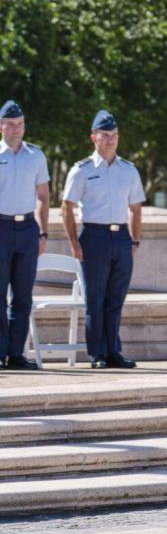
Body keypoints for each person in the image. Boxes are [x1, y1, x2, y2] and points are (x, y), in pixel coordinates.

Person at [61, 110, 145, 370]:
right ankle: (97, 354)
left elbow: (136, 208)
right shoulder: (82, 170)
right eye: (105, 135)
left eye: (114, 135)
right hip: (94, 236)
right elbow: (66, 206)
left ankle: (113, 352)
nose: (111, 140)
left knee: (115, 298)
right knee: (95, 298)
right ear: (93, 137)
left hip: (120, 236)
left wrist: (133, 242)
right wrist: (75, 244)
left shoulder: (128, 170)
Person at [0, 100, 50, 371]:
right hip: (1, 228)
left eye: (19, 124)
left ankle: (16, 354)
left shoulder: (36, 156)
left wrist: (43, 231)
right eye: (10, 124)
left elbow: (43, 196)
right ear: (1, 126)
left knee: (23, 295)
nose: (15, 129)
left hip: (28, 229)